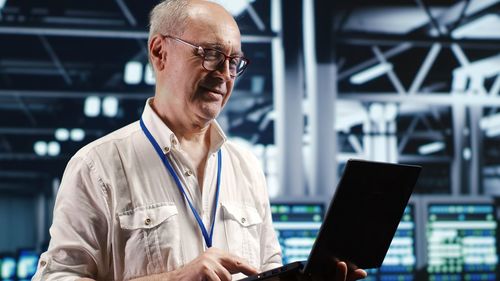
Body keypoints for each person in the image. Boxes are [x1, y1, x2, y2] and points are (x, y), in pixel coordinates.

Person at [33, 1, 367, 280]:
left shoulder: (245, 167)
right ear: (160, 52)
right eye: (209, 53)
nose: (224, 73)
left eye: (234, 61)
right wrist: (175, 278)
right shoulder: (98, 166)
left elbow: (267, 269)